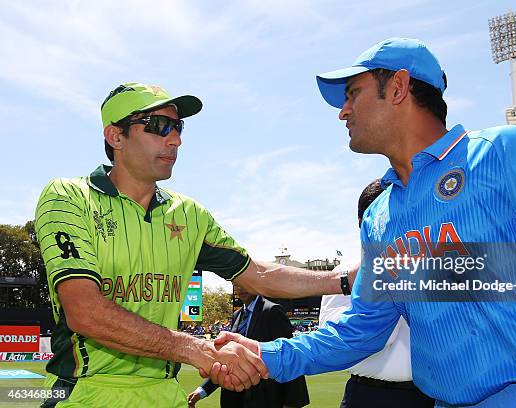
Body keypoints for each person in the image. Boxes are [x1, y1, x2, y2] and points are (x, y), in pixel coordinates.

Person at [211, 38, 516, 407]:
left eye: (353, 93)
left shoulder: (505, 153)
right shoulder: (379, 217)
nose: (343, 111)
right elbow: (361, 330)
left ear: (399, 87)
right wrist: (266, 354)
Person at [34, 82, 354, 407]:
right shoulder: (68, 197)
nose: (175, 139)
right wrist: (197, 349)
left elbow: (257, 274)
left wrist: (344, 280)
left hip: (165, 392)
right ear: (115, 136)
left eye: (178, 127)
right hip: (83, 393)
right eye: (158, 126)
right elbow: (86, 312)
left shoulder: (188, 214)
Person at [319, 179, 434, 408]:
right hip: (368, 395)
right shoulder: (344, 274)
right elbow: (348, 341)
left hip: (430, 395)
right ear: (363, 223)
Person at [188, 284, 309, 408]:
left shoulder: (272, 312)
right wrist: (202, 391)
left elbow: (290, 356)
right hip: (235, 399)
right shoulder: (237, 316)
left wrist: (292, 403)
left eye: (244, 283)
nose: (240, 288)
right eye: (236, 285)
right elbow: (229, 359)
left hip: (264, 400)